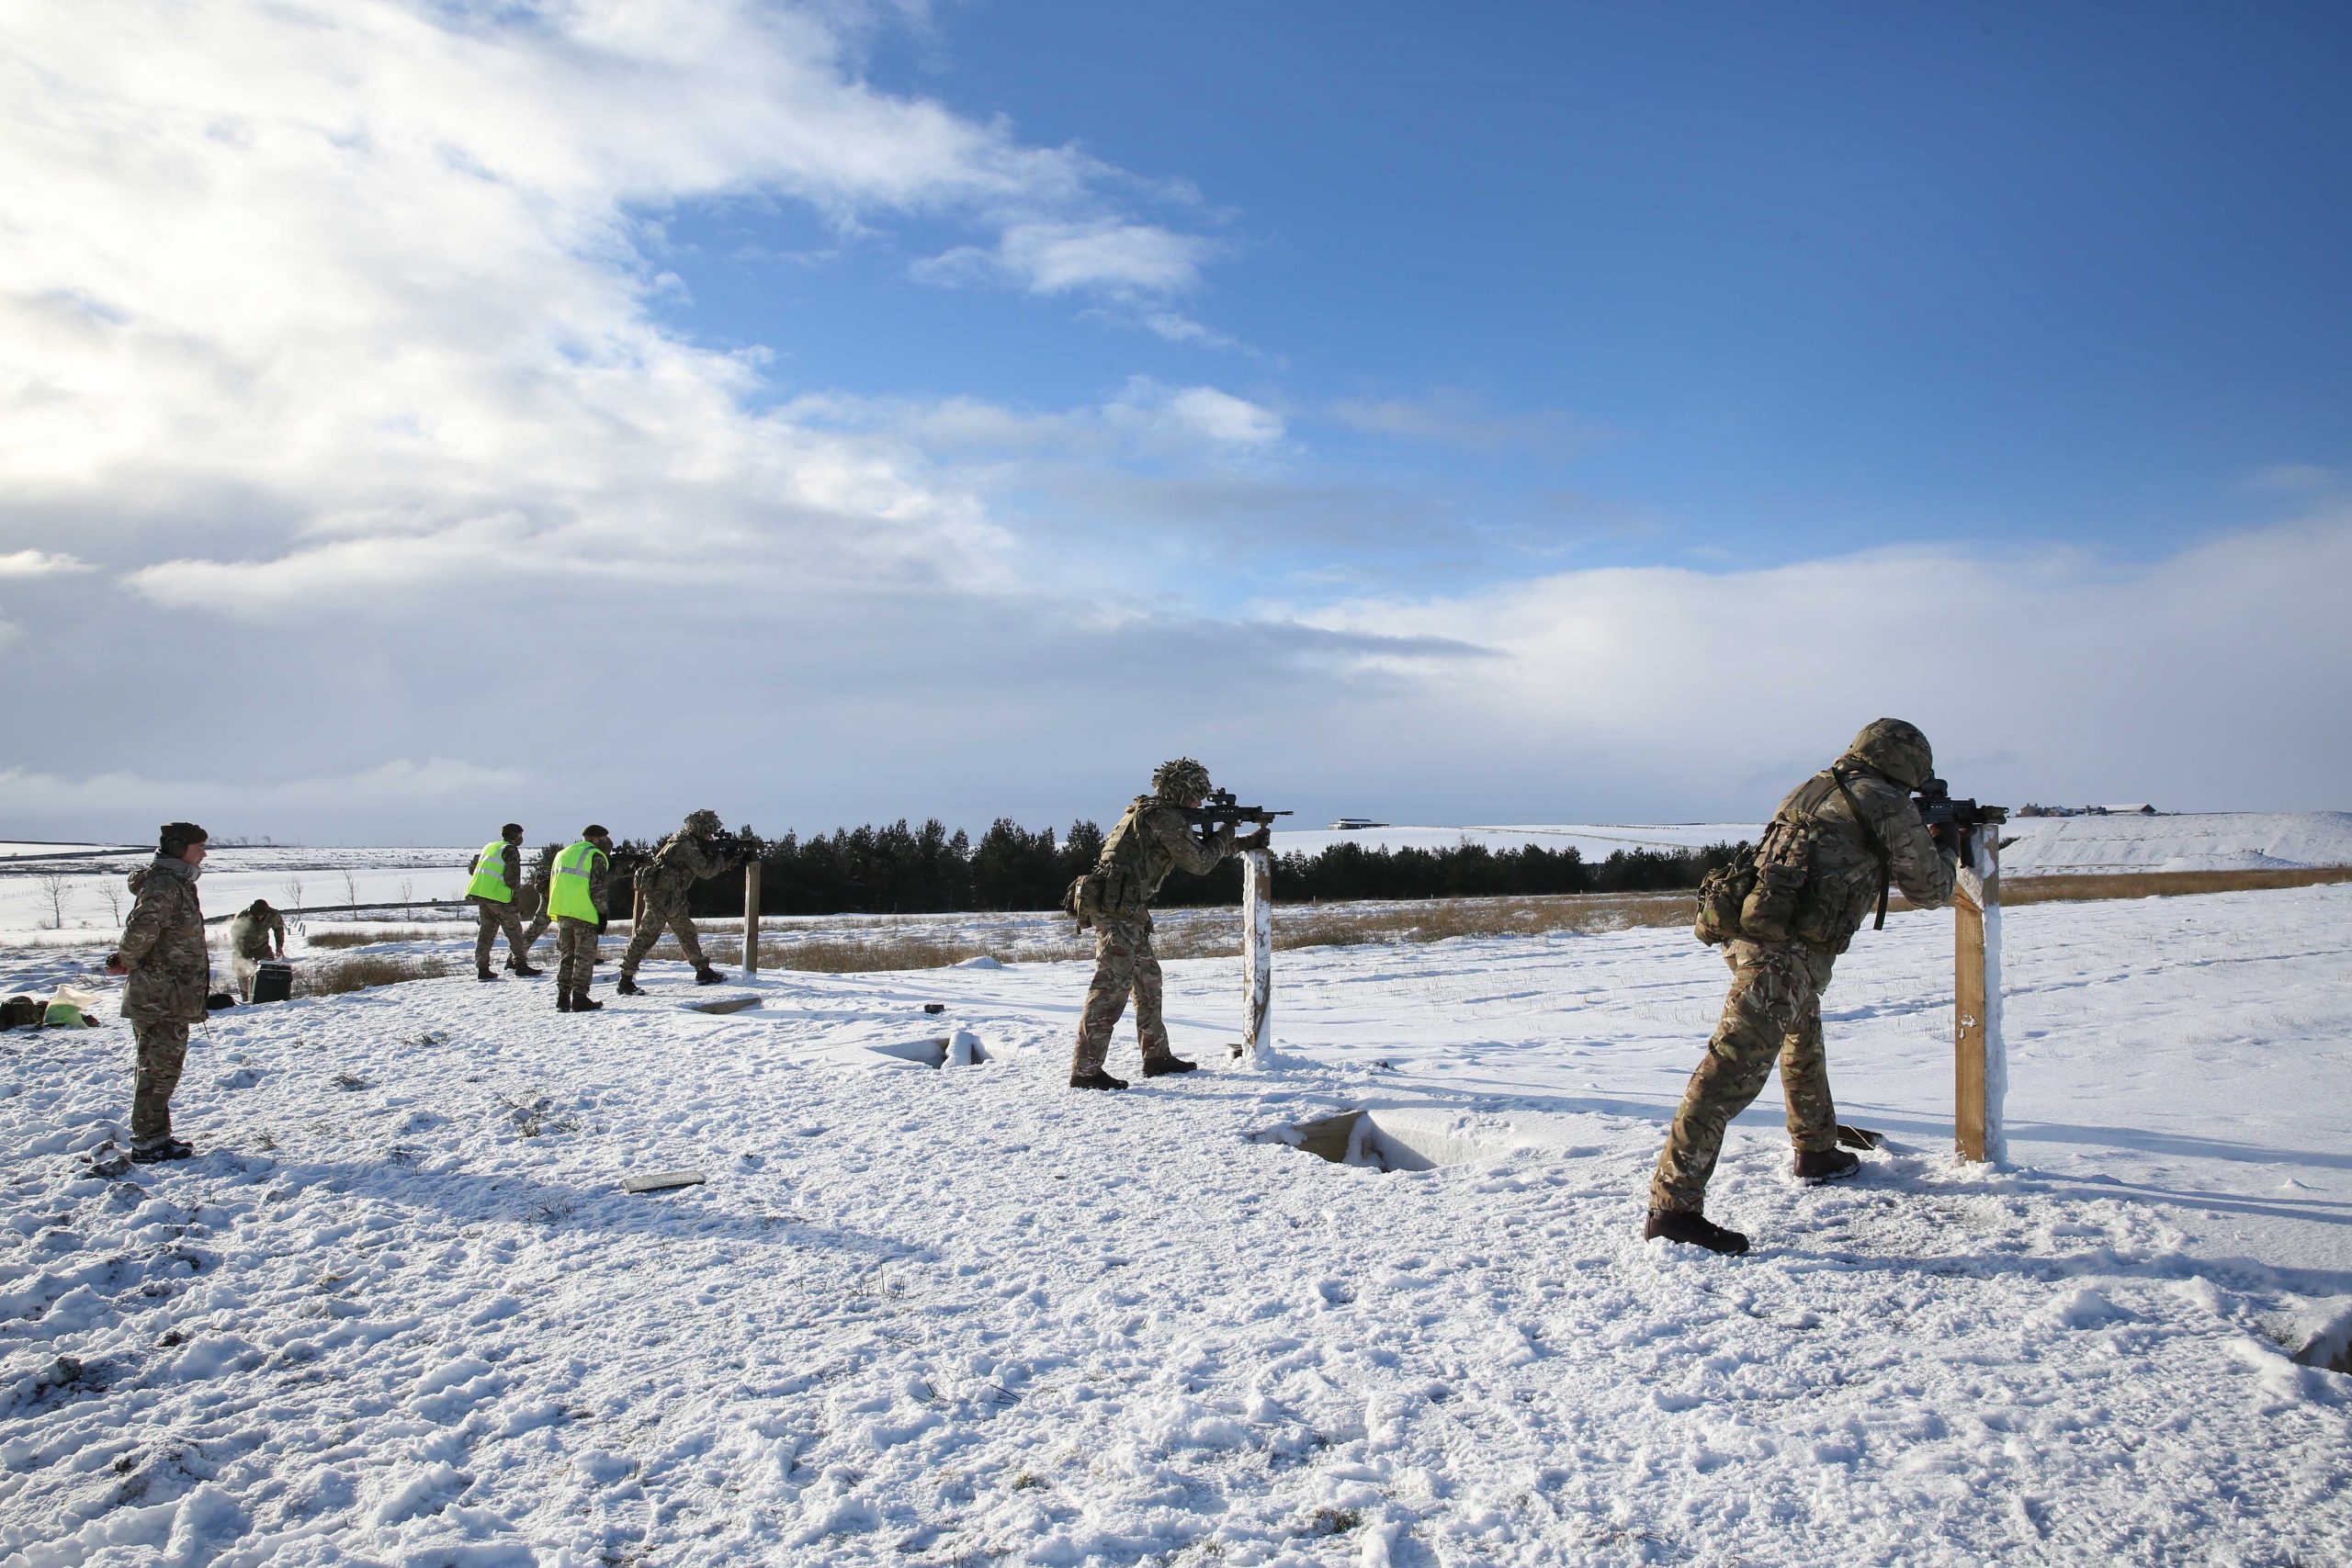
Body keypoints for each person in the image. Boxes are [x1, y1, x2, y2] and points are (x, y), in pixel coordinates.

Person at [1645, 718, 1960, 1256]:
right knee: (1728, 1074)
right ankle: (1673, 1209)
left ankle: (1815, 1148)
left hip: (1756, 938)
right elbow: (1931, 888)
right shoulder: (1884, 801)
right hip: (1783, 955)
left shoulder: (1820, 784)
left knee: (1801, 1037)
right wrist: (1948, 845)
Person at [1067, 757, 1268, 1089]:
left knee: (1147, 980)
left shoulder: (1149, 812)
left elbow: (1194, 850)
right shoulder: (1165, 818)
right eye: (1195, 796)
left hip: (1128, 909)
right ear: (1180, 792)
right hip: (1119, 912)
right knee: (1109, 989)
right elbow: (1200, 862)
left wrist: (1242, 843)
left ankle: (1156, 1057)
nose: (1200, 803)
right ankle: (1086, 1070)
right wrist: (1229, 831)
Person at [105, 822, 214, 1163]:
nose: (204, 854)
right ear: (178, 847)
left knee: (160, 1069)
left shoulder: (175, 883)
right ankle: (149, 1142)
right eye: (199, 849)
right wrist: (126, 959)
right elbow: (141, 930)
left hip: (170, 994)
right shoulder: (165, 885)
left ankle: (155, 1136)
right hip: (159, 996)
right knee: (158, 1069)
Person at [616, 808, 738, 994]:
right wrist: (724, 859)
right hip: (663, 896)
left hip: (671, 895)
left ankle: (703, 971)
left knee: (686, 932)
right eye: (708, 832)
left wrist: (720, 856)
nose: (710, 836)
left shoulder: (684, 840)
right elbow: (705, 871)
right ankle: (625, 979)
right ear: (699, 829)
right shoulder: (686, 846)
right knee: (646, 936)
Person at [548, 825, 616, 1012]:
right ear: (595, 839)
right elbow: (598, 889)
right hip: (584, 913)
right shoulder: (595, 855)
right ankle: (579, 997)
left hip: (563, 911)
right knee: (584, 957)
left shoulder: (564, 853)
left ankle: (563, 997)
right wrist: (602, 914)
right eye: (604, 838)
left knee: (566, 956)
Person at [466, 823, 543, 981]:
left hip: (481, 895)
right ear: (515, 836)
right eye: (520, 835)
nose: (521, 838)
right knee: (514, 931)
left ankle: (482, 968)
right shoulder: (510, 850)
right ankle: (520, 965)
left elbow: (472, 868)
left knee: (486, 933)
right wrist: (516, 902)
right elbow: (512, 878)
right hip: (500, 897)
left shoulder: (490, 847)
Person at [225, 897, 287, 1001]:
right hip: (243, 947)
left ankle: (266, 997)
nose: (259, 917)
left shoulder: (273, 914)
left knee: (268, 970)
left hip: (262, 947)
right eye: (257, 915)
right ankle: (246, 999)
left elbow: (279, 929)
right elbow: (235, 934)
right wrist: (242, 955)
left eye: (261, 915)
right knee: (242, 972)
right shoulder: (243, 915)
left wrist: (279, 945)